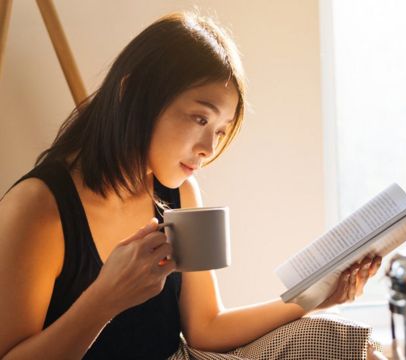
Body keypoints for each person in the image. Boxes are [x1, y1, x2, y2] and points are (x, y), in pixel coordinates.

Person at [0, 11, 384, 360]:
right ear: (131, 92)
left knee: (342, 344)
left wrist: (315, 298)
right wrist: (103, 301)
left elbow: (205, 328)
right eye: (200, 119)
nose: (208, 149)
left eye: (220, 130)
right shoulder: (38, 209)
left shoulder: (181, 194)